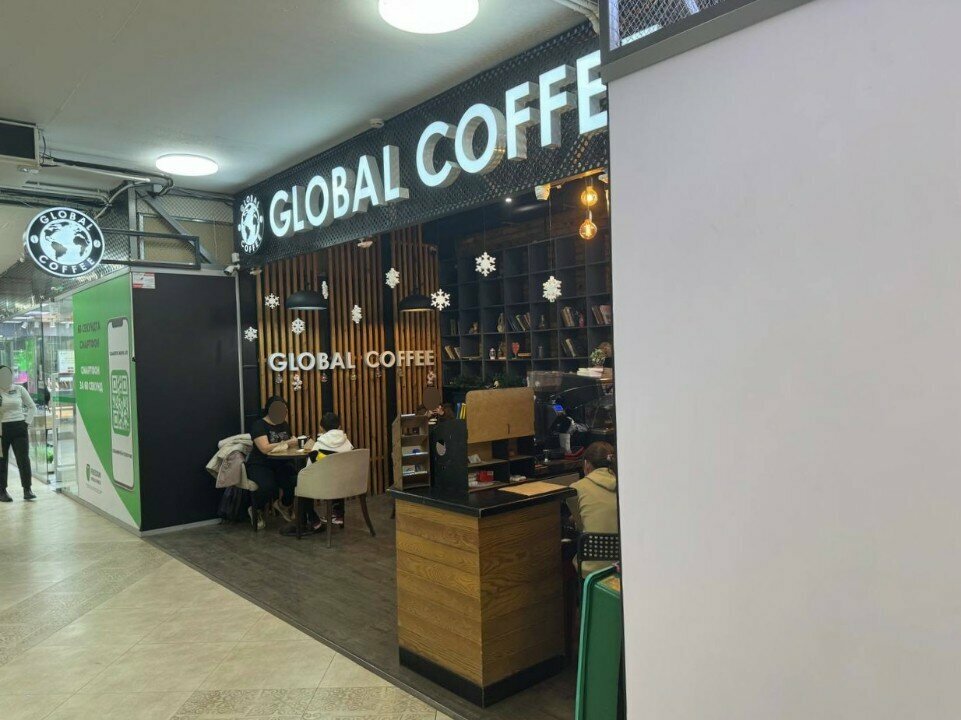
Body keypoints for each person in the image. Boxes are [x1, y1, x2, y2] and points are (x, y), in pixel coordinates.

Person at [245, 396, 299, 530]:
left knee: (295, 481)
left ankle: (283, 505)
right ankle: (255, 509)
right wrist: (288, 442)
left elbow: (289, 445)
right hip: (261, 464)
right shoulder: (259, 425)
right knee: (267, 487)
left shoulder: (284, 425)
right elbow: (264, 448)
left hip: (281, 463)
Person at [566, 441, 618, 576]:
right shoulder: (625, 486)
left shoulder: (576, 489)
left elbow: (581, 525)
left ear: (587, 464)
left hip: (591, 570)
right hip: (622, 566)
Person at [0, 367, 37, 502]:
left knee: (23, 459)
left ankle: (27, 489)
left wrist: (26, 423)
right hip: (1, 429)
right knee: (1, 461)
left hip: (19, 428)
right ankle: (2, 491)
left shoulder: (19, 389)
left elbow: (32, 406)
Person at [314, 411, 354, 526]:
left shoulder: (319, 444)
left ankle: (313, 521)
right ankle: (337, 514)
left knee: (301, 483)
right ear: (339, 427)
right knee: (338, 473)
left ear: (321, 428)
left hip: (325, 485)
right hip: (347, 482)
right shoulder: (347, 442)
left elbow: (310, 467)